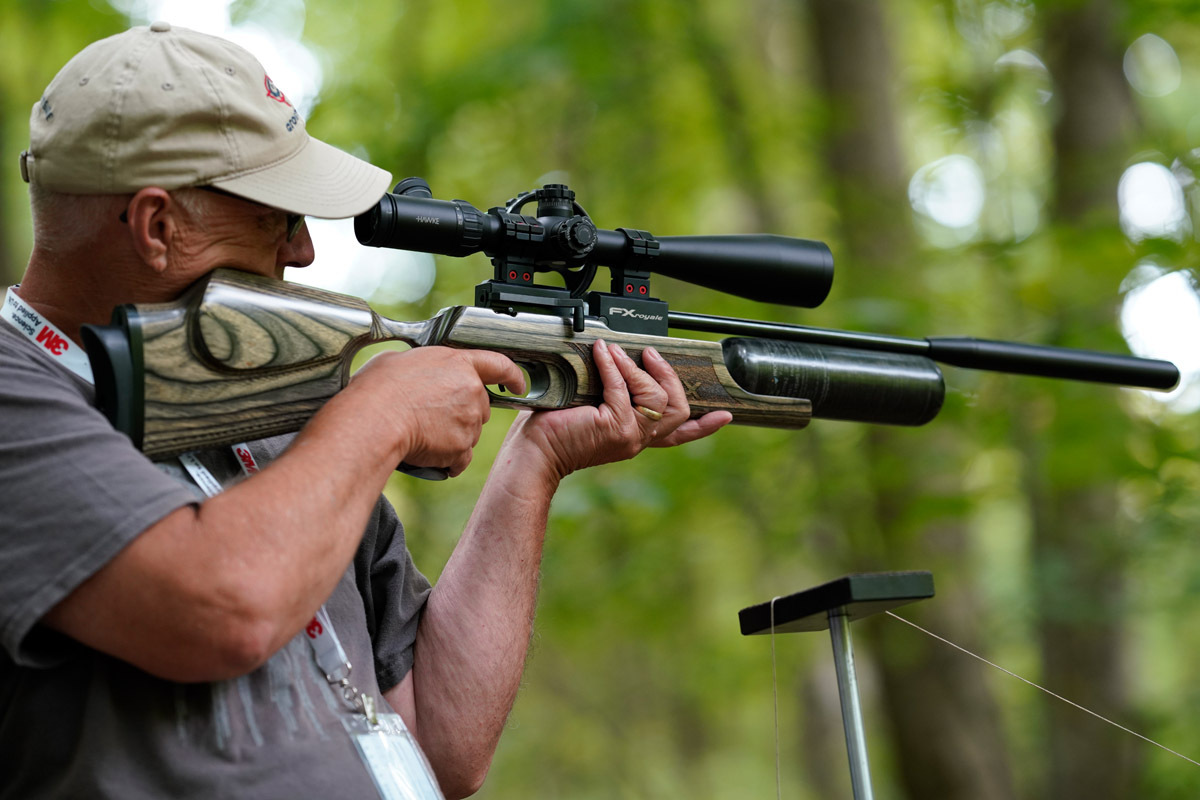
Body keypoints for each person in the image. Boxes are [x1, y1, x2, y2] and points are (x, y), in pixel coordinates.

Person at [0, 23, 730, 800]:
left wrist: (536, 459)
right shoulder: (17, 391)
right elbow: (224, 608)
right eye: (279, 217)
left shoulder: (268, 406)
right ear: (158, 227)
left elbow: (445, 746)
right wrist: (380, 413)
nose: (304, 252)